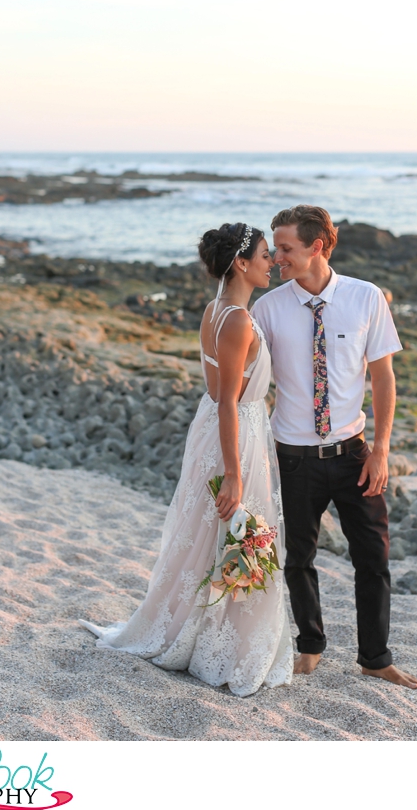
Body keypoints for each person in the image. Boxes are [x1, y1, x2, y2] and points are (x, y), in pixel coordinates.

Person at [81, 223, 293, 697]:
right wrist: (235, 473)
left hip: (222, 428)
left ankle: (202, 633)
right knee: (236, 530)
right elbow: (228, 401)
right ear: (241, 263)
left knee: (212, 532)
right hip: (234, 430)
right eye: (263, 254)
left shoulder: (216, 310)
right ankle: (222, 644)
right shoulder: (237, 320)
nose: (272, 261)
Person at [252, 204, 417, 689]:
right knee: (298, 557)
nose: (277, 257)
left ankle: (375, 657)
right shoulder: (267, 309)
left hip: (354, 454)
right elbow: (251, 380)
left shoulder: (366, 298)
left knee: (373, 558)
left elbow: (384, 378)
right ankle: (311, 646)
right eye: (275, 248)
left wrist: (382, 449)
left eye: (285, 248)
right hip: (293, 456)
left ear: (317, 247)